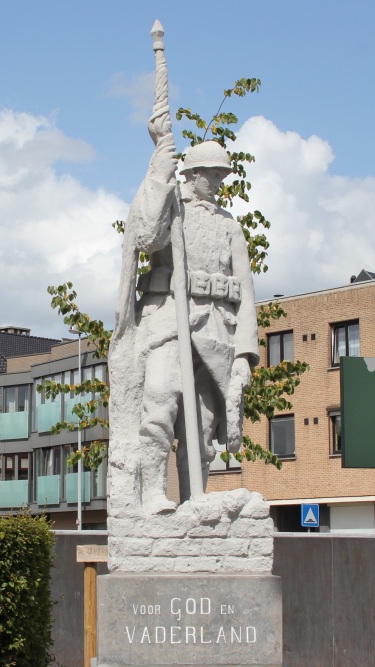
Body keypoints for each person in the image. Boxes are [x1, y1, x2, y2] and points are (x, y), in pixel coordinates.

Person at [119, 137, 259, 514]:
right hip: (168, 318)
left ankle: (193, 501)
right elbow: (146, 236)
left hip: (216, 332)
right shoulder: (171, 208)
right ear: (192, 174)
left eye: (221, 175)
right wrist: (160, 175)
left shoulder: (229, 225)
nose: (217, 182)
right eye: (211, 175)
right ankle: (152, 494)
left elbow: (246, 291)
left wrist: (245, 353)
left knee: (202, 427)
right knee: (160, 401)